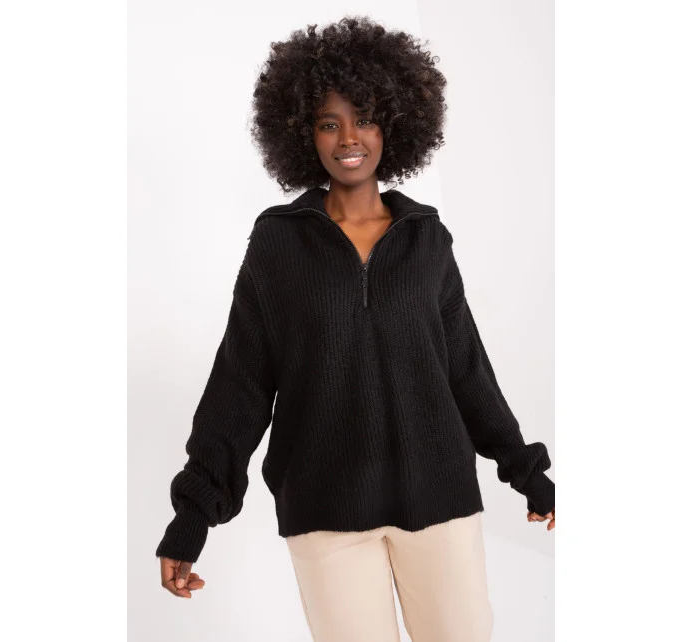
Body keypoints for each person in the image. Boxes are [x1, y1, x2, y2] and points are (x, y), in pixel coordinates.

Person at [156, 15, 554, 642]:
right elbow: (240, 385)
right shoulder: (277, 244)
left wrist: (526, 471)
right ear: (302, 133)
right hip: (326, 512)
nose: (348, 138)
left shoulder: (426, 238)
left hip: (440, 501)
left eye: (364, 118)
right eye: (328, 123)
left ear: (392, 124)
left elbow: (466, 370)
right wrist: (192, 518)